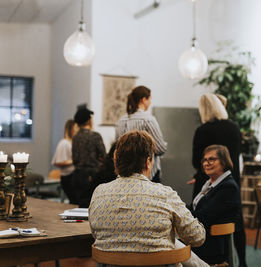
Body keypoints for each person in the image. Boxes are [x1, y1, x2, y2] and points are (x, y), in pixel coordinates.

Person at [89, 130, 208, 267]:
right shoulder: (164, 194)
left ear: (116, 160)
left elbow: (95, 233)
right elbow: (197, 237)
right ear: (148, 162)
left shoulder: (99, 193)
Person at [190, 93, 247, 267]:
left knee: (202, 220)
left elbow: (195, 162)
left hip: (208, 182)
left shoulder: (203, 130)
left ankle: (206, 261)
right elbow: (236, 158)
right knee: (236, 225)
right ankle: (242, 261)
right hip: (231, 181)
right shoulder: (234, 128)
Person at [190, 145, 242, 265]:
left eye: (211, 159)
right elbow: (195, 208)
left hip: (213, 246)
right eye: (204, 160)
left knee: (170, 246)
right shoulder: (209, 184)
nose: (206, 163)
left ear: (224, 162)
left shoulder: (228, 187)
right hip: (202, 238)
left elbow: (204, 216)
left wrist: (179, 212)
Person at [115, 85, 167, 183]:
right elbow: (160, 148)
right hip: (147, 175)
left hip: (125, 173)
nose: (150, 102)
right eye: (150, 99)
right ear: (143, 99)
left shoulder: (121, 120)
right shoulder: (148, 119)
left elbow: (117, 148)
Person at [72, 107, 106, 208]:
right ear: (88, 120)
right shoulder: (95, 136)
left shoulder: (75, 137)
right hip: (92, 176)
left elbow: (75, 158)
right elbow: (104, 155)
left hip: (77, 175)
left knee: (80, 206)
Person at [51, 119, 78, 203]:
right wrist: (76, 161)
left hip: (73, 176)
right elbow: (58, 162)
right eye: (76, 127)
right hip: (68, 177)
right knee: (74, 201)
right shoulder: (64, 143)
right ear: (70, 129)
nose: (78, 130)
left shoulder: (74, 142)